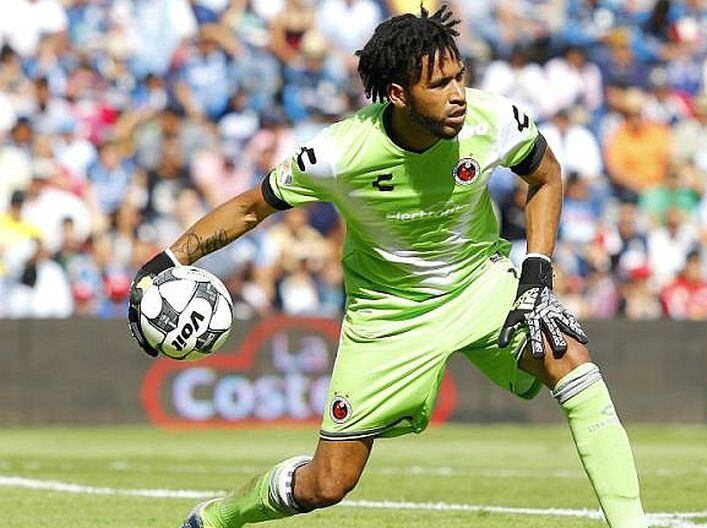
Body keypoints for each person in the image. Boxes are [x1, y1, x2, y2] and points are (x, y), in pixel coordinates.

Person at [126, 6, 646, 528]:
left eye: (460, 77)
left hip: (480, 284)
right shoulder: (338, 153)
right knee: (327, 484)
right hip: (388, 314)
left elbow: (546, 176)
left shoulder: (494, 121)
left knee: (569, 359)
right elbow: (249, 208)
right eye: (439, 84)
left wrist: (536, 275)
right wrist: (164, 262)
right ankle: (217, 518)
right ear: (398, 94)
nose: (458, 94)